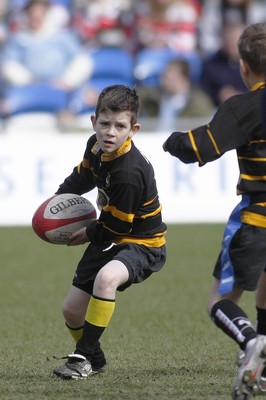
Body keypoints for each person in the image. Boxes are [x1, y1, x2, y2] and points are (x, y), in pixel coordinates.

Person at [163, 22, 266, 398]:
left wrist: (170, 141)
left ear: (242, 66)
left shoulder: (243, 106)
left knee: (220, 301)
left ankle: (252, 342)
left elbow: (201, 146)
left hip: (257, 221)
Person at [53, 84, 167, 379]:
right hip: (108, 234)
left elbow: (118, 225)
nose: (110, 132)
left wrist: (88, 232)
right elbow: (81, 177)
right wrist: (56, 203)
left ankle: (80, 361)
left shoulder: (129, 173)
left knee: (107, 278)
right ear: (94, 122)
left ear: (134, 129)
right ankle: (96, 359)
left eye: (120, 126)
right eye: (104, 124)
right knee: (71, 311)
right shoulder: (94, 145)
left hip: (141, 243)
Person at [139, 58, 214, 131]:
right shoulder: (153, 97)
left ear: (183, 78)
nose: (162, 80)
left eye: (166, 77)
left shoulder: (199, 103)